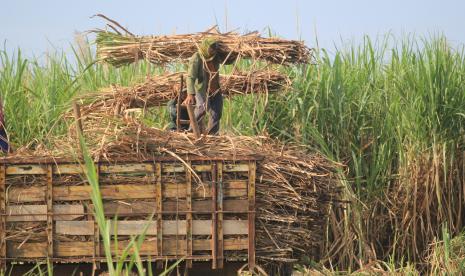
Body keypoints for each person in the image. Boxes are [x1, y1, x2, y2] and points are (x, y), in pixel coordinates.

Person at [182, 38, 235, 135]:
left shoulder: (215, 56)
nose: (213, 50)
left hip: (215, 89)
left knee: (216, 113)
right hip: (202, 89)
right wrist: (190, 94)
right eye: (211, 48)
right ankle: (190, 131)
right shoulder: (197, 58)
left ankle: (212, 135)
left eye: (214, 48)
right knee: (202, 109)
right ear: (205, 47)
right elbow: (190, 77)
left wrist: (236, 53)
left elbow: (227, 61)